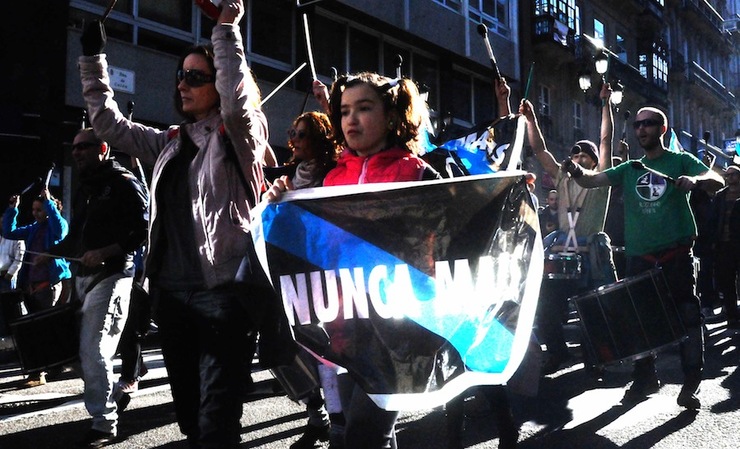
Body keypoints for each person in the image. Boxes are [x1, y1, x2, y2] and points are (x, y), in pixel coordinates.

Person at [78, 1, 269, 447]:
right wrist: (92, 59)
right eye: (180, 75)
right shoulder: (170, 140)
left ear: (219, 85)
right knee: (188, 414)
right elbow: (108, 125)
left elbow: (238, 102)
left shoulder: (240, 132)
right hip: (172, 296)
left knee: (217, 423)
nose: (183, 84)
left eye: (196, 77)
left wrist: (225, 31)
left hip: (223, 294)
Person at [268, 71, 441, 449]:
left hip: (398, 332)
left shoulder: (414, 173)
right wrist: (283, 204)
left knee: (364, 433)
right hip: (345, 328)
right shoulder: (331, 180)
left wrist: (502, 195)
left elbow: (442, 237)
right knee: (366, 433)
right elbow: (315, 247)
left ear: (392, 116)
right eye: (344, 110)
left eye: (364, 108)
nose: (351, 119)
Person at [562, 106, 724, 409]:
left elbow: (717, 179)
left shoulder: (680, 161)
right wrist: (575, 171)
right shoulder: (630, 168)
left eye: (648, 124)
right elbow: (590, 180)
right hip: (641, 257)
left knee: (688, 316)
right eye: (637, 125)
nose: (641, 129)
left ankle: (691, 382)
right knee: (641, 321)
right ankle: (645, 377)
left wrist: (696, 180)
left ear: (661, 129)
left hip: (675, 253)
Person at [41, 128, 148, 447]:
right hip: (84, 278)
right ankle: (112, 395)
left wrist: (107, 251)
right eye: (73, 149)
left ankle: (104, 423)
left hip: (113, 275)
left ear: (102, 148)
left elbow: (144, 227)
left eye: (83, 147)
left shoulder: (124, 182)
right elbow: (77, 235)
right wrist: (52, 252)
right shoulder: (89, 187)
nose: (76, 153)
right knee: (86, 350)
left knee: (95, 348)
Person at [520, 83, 616, 374]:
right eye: (574, 155)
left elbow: (606, 140)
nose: (577, 158)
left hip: (590, 258)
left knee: (592, 313)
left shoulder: (601, 180)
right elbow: (539, 149)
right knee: (546, 310)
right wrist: (531, 119)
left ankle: (594, 359)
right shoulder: (561, 179)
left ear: (595, 162)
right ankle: (559, 353)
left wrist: (606, 105)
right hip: (561, 258)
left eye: (584, 156)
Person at [2, 189, 72, 387]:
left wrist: (50, 203)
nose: (35, 213)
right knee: (36, 330)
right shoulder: (33, 228)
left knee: (47, 328)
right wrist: (12, 210)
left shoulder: (57, 226)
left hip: (48, 286)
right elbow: (9, 232)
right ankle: (42, 369)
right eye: (33, 210)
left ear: (49, 210)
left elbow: (60, 230)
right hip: (31, 287)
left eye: (39, 210)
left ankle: (53, 366)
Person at [708, 164, 740, 328]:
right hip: (724, 244)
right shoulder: (721, 196)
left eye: (733, 175)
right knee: (727, 282)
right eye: (727, 176)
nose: (730, 178)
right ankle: (732, 315)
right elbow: (713, 219)